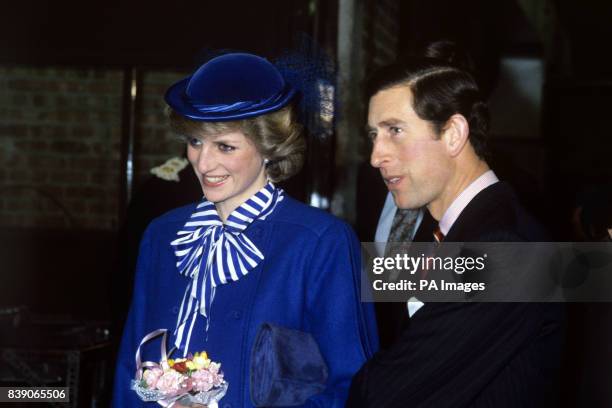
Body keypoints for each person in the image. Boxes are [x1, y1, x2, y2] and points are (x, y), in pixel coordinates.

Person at [112, 52, 378, 407]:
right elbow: (132, 365)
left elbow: (351, 384)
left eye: (225, 146)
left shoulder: (320, 241)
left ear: (269, 148)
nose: (203, 162)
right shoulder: (163, 235)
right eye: (195, 141)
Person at [347, 41, 564, 407]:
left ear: (453, 134)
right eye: (374, 135)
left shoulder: (502, 247)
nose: (375, 156)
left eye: (394, 130)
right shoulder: (447, 231)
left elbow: (385, 394)